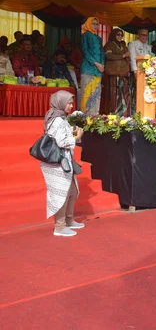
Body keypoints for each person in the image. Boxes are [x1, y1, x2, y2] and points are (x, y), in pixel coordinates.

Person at [41, 91, 85, 237]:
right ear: (60, 102)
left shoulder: (59, 117)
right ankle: (59, 227)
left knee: (72, 191)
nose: (71, 106)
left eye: (72, 103)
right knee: (61, 193)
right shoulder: (57, 120)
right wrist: (77, 137)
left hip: (64, 161)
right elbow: (61, 141)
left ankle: (69, 220)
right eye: (69, 103)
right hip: (57, 162)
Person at [102, 28, 131, 116]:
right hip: (113, 73)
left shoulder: (123, 44)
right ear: (114, 35)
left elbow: (128, 57)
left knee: (124, 92)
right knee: (113, 93)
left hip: (123, 72)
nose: (120, 36)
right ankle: (113, 113)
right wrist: (122, 55)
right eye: (118, 34)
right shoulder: (109, 44)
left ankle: (124, 113)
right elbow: (108, 56)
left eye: (121, 35)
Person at [80, 17, 105, 116]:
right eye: (93, 24)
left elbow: (102, 52)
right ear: (89, 24)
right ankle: (85, 116)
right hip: (88, 68)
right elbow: (85, 51)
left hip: (98, 70)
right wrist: (96, 63)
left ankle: (95, 115)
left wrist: (102, 64)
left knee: (96, 93)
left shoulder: (99, 38)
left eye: (96, 24)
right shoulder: (85, 36)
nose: (95, 26)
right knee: (87, 93)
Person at [128, 28, 152, 108]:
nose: (145, 37)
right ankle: (135, 110)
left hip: (148, 73)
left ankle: (144, 109)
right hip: (137, 72)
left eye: (146, 35)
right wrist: (135, 71)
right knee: (136, 91)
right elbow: (132, 58)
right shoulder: (133, 44)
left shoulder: (148, 46)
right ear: (138, 35)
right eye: (143, 35)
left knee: (146, 92)